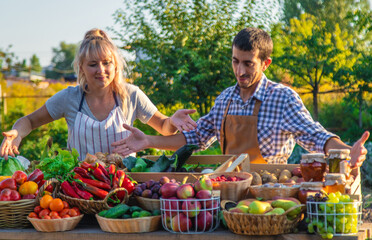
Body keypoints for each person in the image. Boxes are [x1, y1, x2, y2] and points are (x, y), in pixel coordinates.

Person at [111, 27, 369, 169]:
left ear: (265, 63)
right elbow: (195, 138)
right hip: (227, 190)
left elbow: (315, 136)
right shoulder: (224, 100)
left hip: (268, 194)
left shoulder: (282, 98)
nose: (240, 71)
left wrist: (347, 151)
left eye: (248, 63)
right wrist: (148, 141)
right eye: (235, 61)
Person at [0, 28, 197, 161]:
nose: (101, 70)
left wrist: (172, 120)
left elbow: (164, 127)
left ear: (116, 65)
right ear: (81, 68)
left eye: (106, 63)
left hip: (124, 187)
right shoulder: (70, 98)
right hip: (79, 190)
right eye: (93, 64)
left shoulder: (131, 95)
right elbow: (30, 121)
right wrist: (17, 133)